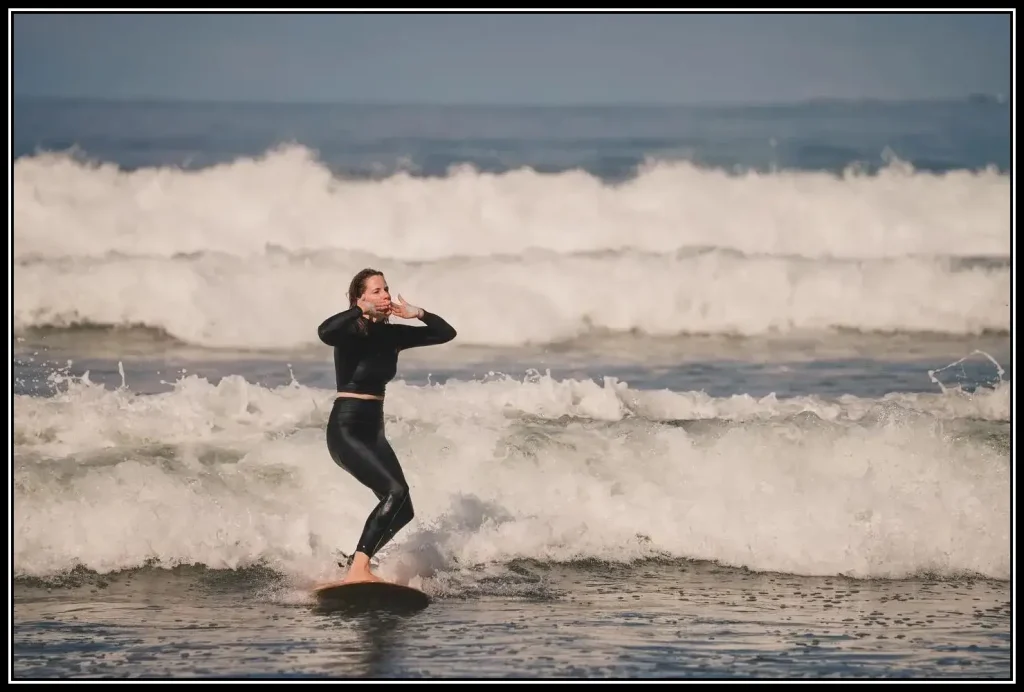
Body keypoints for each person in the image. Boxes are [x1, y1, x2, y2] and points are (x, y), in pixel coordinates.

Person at [317, 267, 457, 584]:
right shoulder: (349, 330)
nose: (385, 295)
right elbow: (324, 332)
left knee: (402, 506)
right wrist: (358, 311)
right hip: (347, 429)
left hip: (374, 432)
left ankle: (355, 562)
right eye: (377, 291)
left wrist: (417, 312)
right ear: (361, 297)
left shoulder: (392, 334)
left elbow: (446, 333)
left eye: (386, 290)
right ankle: (359, 569)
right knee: (395, 492)